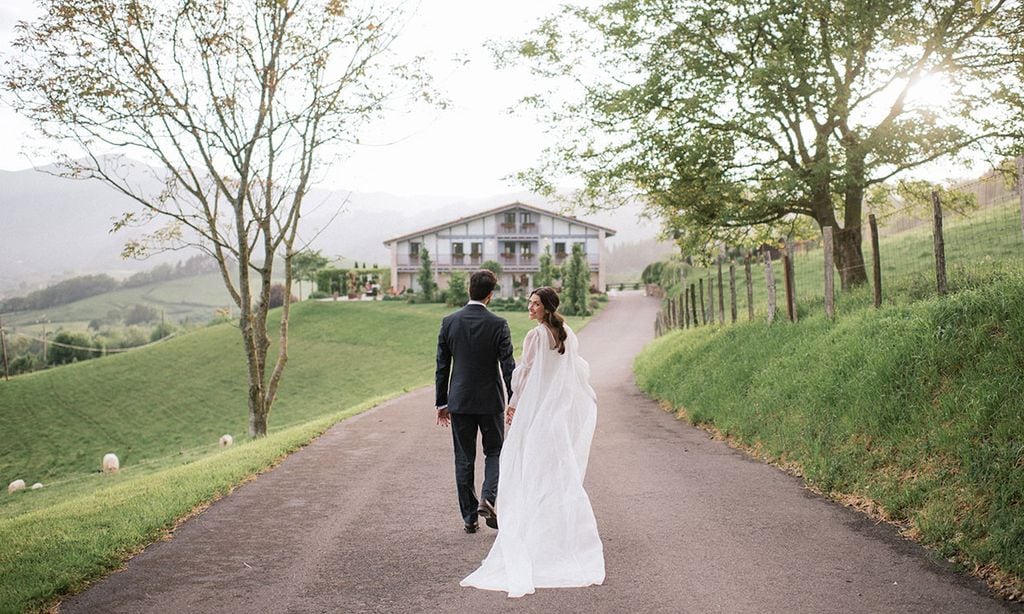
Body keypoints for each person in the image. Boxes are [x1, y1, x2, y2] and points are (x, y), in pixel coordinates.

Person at [461, 286, 605, 598]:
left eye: (536, 304)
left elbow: (523, 374)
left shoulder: (535, 336)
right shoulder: (566, 332)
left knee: (528, 472)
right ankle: (560, 532)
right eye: (530, 303)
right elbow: (577, 371)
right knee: (557, 476)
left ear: (546, 307)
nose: (531, 308)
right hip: (557, 418)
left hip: (537, 415)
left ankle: (535, 532)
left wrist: (513, 404)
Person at [435, 269, 516, 534]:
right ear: (490, 296)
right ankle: (488, 498)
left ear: (469, 289)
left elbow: (442, 366)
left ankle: (469, 518)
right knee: (494, 452)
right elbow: (508, 367)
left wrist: (441, 403)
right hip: (490, 401)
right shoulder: (499, 324)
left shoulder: (449, 322)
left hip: (459, 401)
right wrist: (514, 400)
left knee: (464, 458)